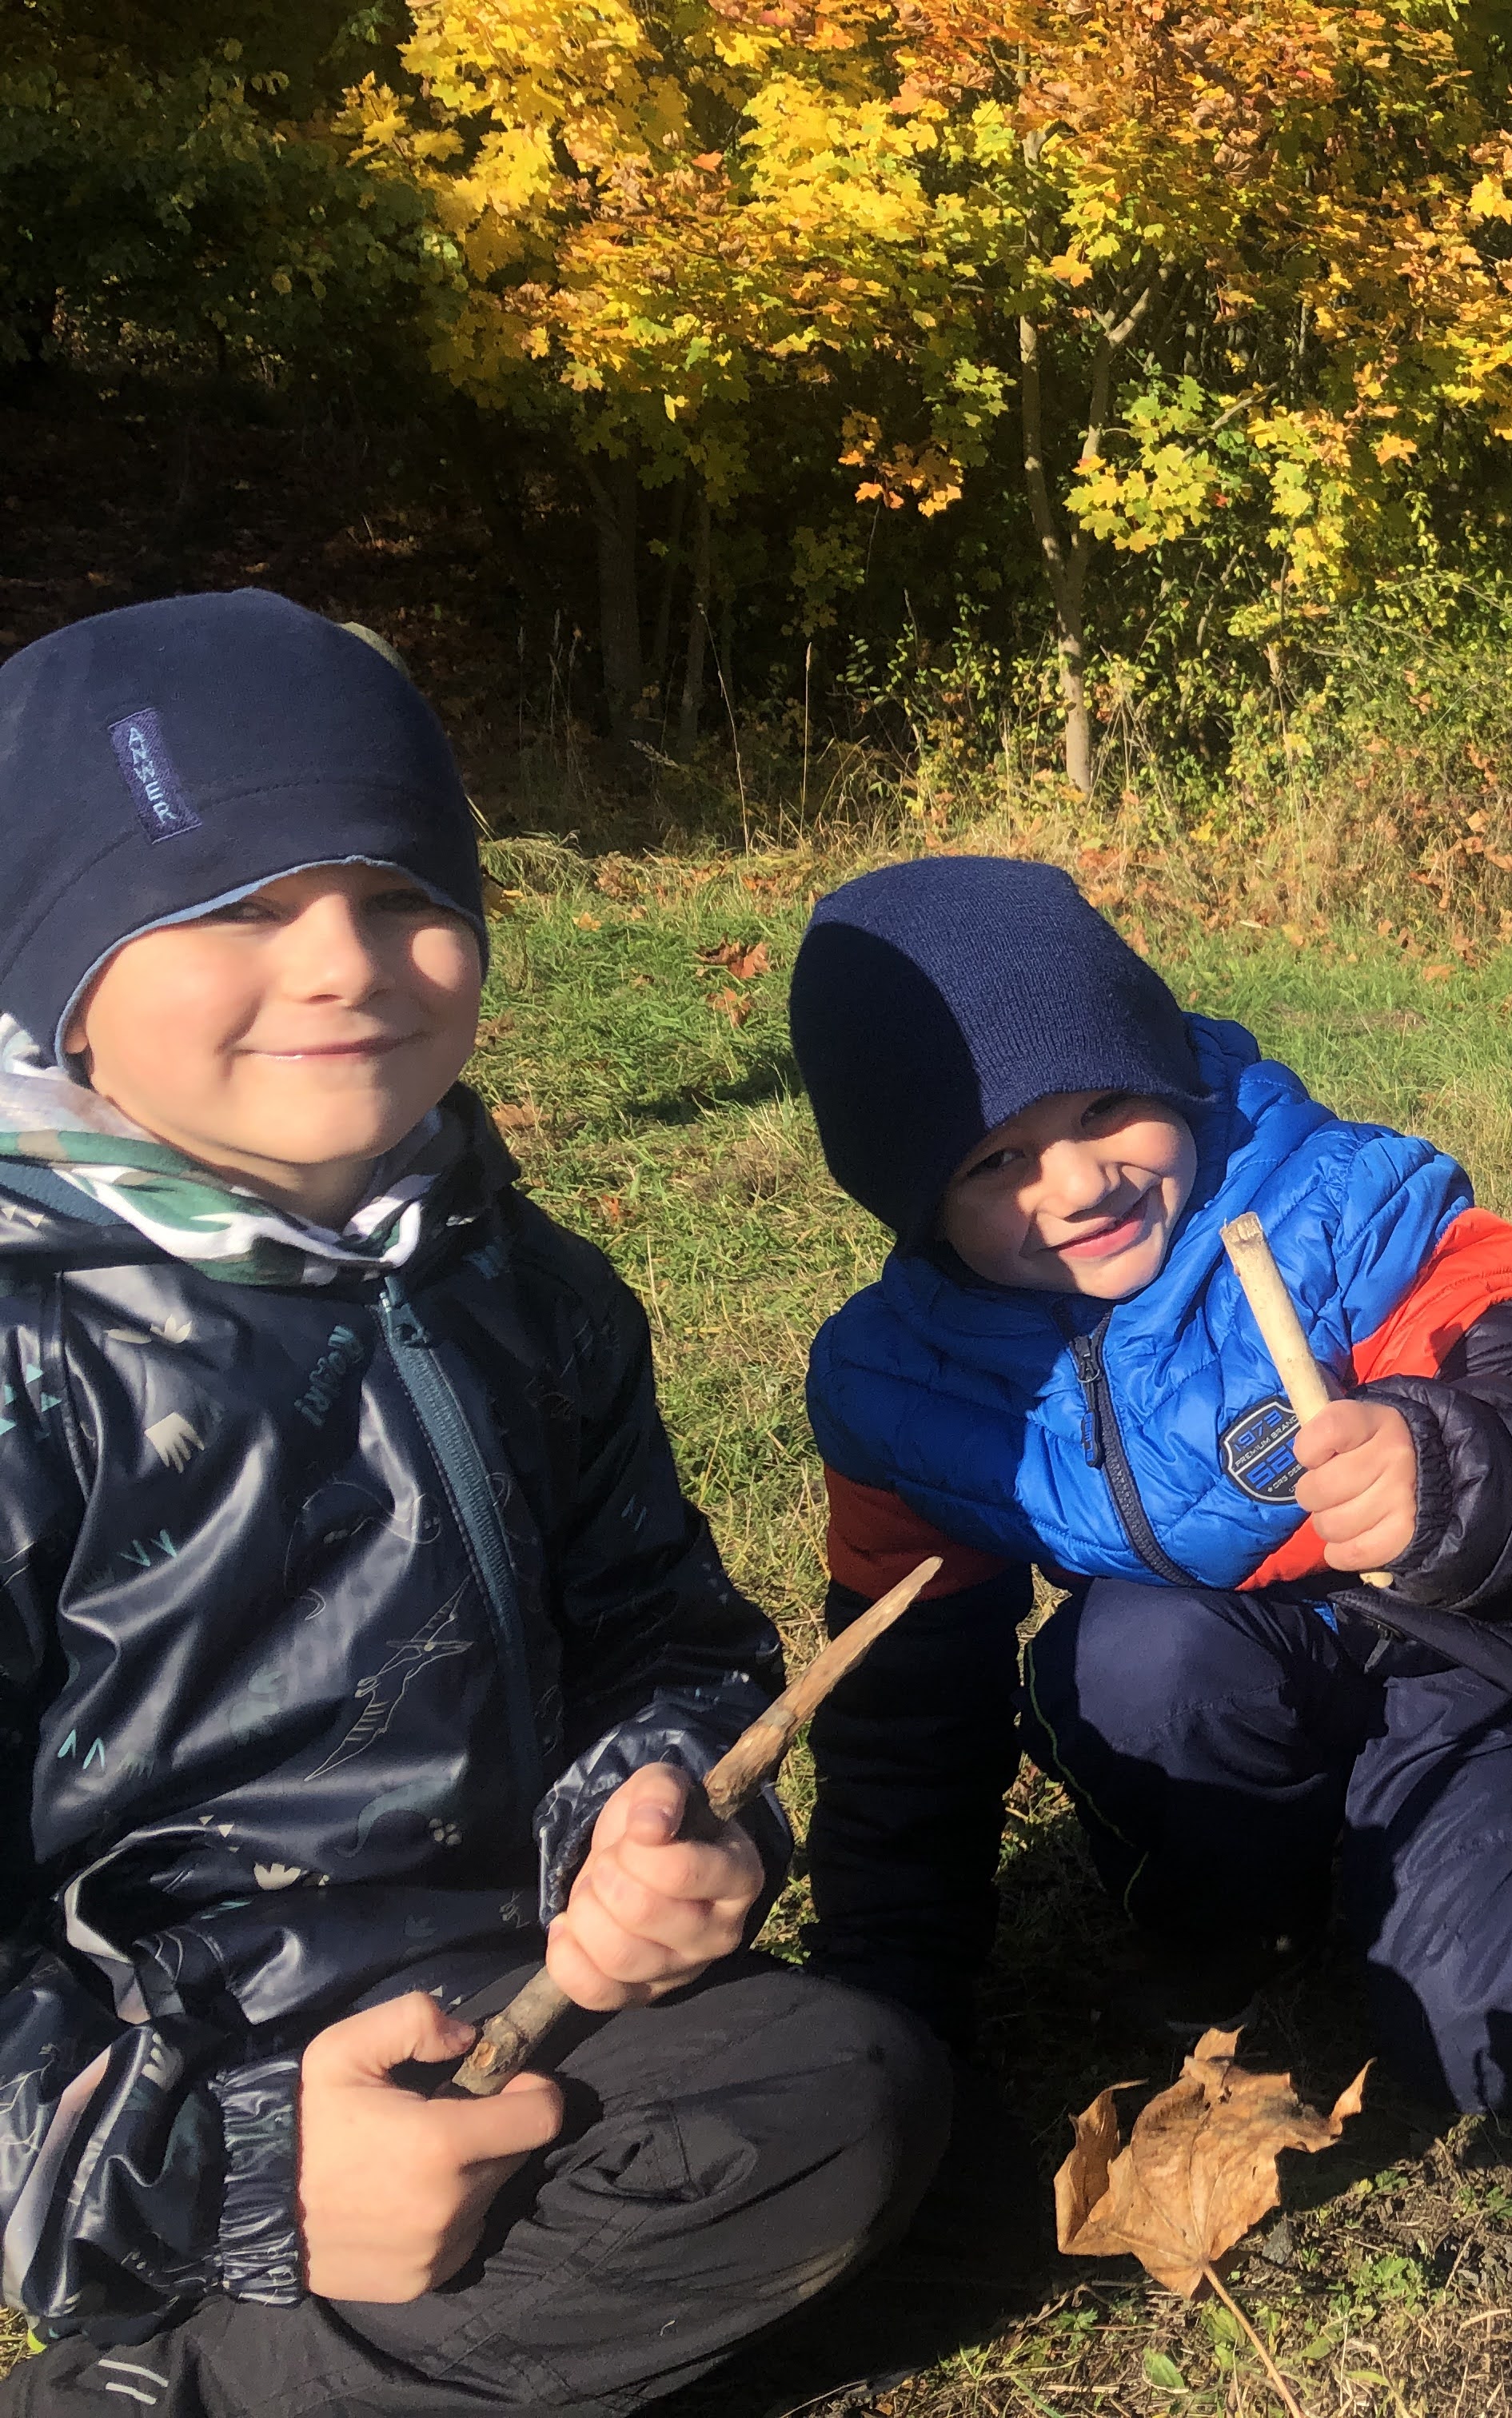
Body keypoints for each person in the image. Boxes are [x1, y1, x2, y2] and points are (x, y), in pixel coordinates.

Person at [0, 592, 946, 2417]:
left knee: (843, 2094)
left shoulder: (532, 1288)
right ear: (55, 972)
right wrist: (245, 2173)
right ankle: (170, 2372)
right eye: (231, 906)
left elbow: (668, 1638)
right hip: (172, 2094)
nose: (344, 964)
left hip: (517, 2015)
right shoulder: (27, 1354)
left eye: (403, 893)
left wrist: (657, 1812)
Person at [781, 858, 1512, 2119]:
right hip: (1230, 1656)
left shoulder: (1346, 1211)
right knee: (1133, 1661)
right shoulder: (904, 1385)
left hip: (1469, 1636)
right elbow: (902, 1717)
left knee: (1494, 2024)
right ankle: (1255, 1914)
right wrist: (886, 2003)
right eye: (997, 1159)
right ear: (911, 1198)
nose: (1079, 1184)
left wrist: (1441, 1470)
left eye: (1108, 1104)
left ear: (1166, 1065)